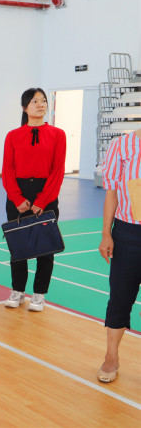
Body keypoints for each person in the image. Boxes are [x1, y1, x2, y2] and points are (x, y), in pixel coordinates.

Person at [2, 88, 66, 312]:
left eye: (43, 101)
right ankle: (18, 290)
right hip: (18, 195)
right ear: (24, 107)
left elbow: (58, 171)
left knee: (45, 248)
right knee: (17, 246)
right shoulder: (12, 136)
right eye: (35, 101)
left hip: (46, 194)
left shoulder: (58, 134)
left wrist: (43, 200)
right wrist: (17, 198)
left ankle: (39, 294)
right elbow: (7, 170)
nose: (41, 104)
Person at [97, 129, 141, 383]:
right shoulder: (122, 145)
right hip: (128, 234)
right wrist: (106, 233)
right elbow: (111, 192)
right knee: (120, 298)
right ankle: (111, 356)